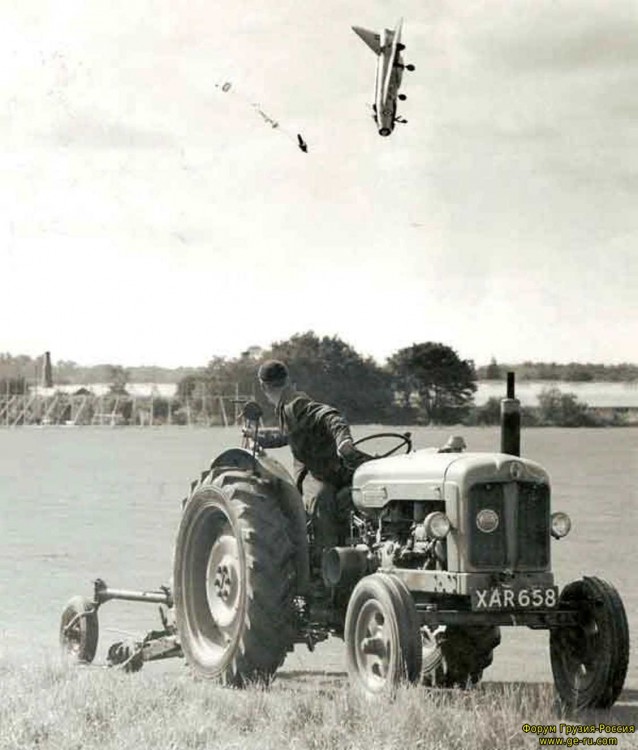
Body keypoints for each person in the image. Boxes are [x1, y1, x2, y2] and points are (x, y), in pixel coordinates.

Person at [254, 359, 368, 575]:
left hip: (324, 470)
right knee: (321, 498)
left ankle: (333, 569)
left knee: (322, 499)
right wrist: (260, 438)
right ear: (287, 379)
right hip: (320, 471)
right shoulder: (286, 404)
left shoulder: (295, 403)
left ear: (264, 387)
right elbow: (290, 435)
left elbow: (330, 416)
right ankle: (326, 570)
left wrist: (343, 442)